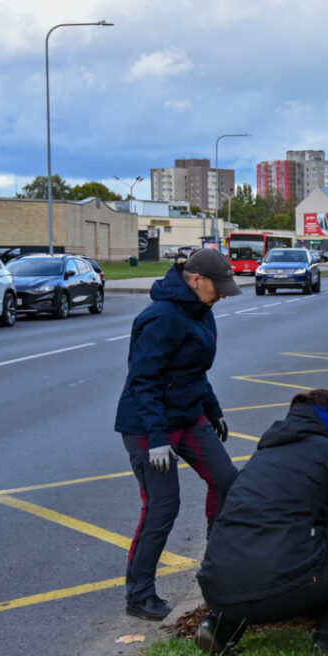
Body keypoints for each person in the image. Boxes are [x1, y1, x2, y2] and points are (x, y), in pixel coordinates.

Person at [194, 389, 328, 656]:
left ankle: (219, 627)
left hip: (218, 593)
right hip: (287, 592)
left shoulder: (259, 461)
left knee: (257, 541)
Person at [115, 248, 240, 620]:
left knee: (226, 478)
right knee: (162, 507)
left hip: (189, 415)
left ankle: (219, 563)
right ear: (195, 280)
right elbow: (144, 381)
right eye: (218, 289)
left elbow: (194, 371)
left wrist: (213, 409)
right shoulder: (160, 317)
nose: (222, 296)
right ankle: (139, 594)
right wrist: (156, 438)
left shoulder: (202, 312)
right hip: (147, 424)